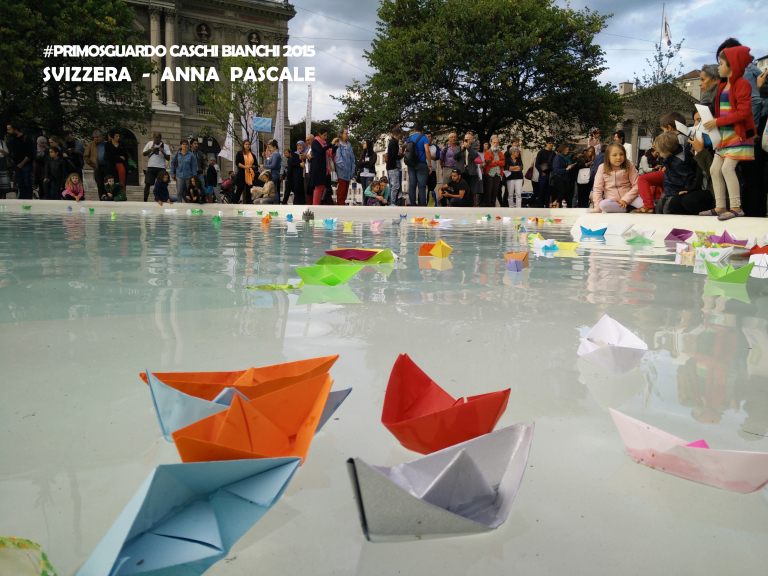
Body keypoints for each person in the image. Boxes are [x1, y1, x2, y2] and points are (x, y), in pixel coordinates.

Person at [700, 45, 757, 220]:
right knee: (714, 169)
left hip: (737, 136)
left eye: (722, 63)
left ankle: (736, 207)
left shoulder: (742, 84)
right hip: (724, 137)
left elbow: (743, 112)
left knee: (727, 168)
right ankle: (720, 206)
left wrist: (717, 121)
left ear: (733, 65)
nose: (718, 67)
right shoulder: (723, 85)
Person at [634, 112, 687, 213]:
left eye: (663, 130)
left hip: (673, 173)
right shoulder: (684, 138)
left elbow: (674, 155)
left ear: (669, 128)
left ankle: (648, 205)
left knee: (642, 179)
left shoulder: (678, 139)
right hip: (673, 173)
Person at [591, 143, 644, 213]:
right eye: (614, 155)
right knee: (603, 205)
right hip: (613, 202)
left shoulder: (629, 166)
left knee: (647, 205)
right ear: (608, 156)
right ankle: (629, 209)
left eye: (621, 154)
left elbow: (637, 185)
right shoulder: (602, 168)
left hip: (631, 199)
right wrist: (597, 209)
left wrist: (625, 199)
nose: (618, 157)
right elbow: (597, 189)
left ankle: (627, 208)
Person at [652, 131, 696, 214]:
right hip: (670, 187)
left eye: (660, 152)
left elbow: (688, 175)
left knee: (667, 211)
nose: (660, 154)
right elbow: (668, 160)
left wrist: (687, 189)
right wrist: (665, 166)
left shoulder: (677, 162)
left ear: (667, 151)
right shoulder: (675, 154)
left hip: (676, 190)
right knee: (658, 208)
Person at [404, 124, 432, 207]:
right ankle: (423, 205)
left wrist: (402, 151)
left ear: (415, 130)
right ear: (422, 130)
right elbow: (427, 150)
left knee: (412, 185)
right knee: (422, 187)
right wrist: (430, 165)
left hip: (411, 164)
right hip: (421, 163)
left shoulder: (410, 138)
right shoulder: (424, 137)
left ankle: (413, 204)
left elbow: (404, 145)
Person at [6, 123, 35, 200]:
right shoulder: (12, 139)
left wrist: (22, 163)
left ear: (15, 130)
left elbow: (30, 153)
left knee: (27, 182)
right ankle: (22, 198)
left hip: (26, 164)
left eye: (9, 129)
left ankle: (28, 198)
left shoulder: (26, 139)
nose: (8, 131)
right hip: (16, 164)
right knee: (20, 182)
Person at [310, 129, 337, 205]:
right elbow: (321, 150)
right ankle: (315, 205)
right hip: (317, 168)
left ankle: (318, 204)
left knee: (322, 186)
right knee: (318, 187)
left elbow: (329, 152)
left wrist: (336, 146)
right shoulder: (315, 142)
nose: (326, 137)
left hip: (323, 168)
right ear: (319, 134)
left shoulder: (324, 144)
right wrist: (331, 144)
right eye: (324, 135)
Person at [453, 132, 480, 207]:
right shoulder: (459, 147)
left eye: (469, 138)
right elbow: (454, 156)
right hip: (461, 172)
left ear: (472, 140)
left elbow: (475, 156)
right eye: (466, 138)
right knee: (460, 188)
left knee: (470, 190)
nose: (467, 139)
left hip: (470, 172)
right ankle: (460, 204)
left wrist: (469, 148)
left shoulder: (473, 148)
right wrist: (461, 149)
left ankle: (470, 205)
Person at [142, 132, 171, 202]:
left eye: (158, 139)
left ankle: (162, 199)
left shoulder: (165, 146)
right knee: (147, 184)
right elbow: (144, 153)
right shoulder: (149, 143)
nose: (156, 140)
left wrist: (163, 151)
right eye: (155, 139)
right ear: (153, 138)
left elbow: (168, 158)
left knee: (162, 184)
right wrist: (150, 150)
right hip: (151, 167)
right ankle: (145, 201)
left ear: (160, 138)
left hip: (161, 167)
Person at [334, 127, 356, 206]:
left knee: (346, 190)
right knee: (341, 190)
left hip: (349, 172)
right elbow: (337, 158)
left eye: (347, 133)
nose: (347, 135)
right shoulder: (338, 144)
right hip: (342, 171)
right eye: (345, 133)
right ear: (341, 134)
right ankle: (340, 205)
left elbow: (352, 158)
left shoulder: (349, 145)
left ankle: (342, 205)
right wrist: (344, 167)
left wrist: (352, 169)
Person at [171, 140, 197, 204]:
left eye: (186, 144)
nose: (184, 146)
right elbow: (173, 163)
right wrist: (172, 172)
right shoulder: (177, 154)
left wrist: (194, 176)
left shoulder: (191, 155)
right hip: (179, 175)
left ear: (188, 146)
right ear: (181, 145)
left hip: (189, 176)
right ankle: (179, 203)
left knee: (189, 191)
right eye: (183, 144)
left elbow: (194, 165)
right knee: (179, 191)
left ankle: (189, 203)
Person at [84, 131, 108, 200]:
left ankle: (108, 198)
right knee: (100, 184)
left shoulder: (106, 144)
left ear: (101, 137)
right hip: (97, 167)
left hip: (107, 167)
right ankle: (101, 198)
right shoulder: (91, 145)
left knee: (108, 183)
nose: (96, 139)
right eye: (94, 137)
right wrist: (92, 164)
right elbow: (86, 156)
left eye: (97, 137)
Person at [483, 136, 505, 208]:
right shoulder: (488, 152)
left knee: (495, 192)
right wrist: (498, 162)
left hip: (497, 174)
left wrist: (495, 161)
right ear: (491, 143)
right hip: (489, 174)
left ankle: (492, 206)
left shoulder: (500, 153)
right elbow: (489, 162)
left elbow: (503, 163)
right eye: (494, 142)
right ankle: (487, 207)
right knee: (488, 191)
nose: (495, 144)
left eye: (497, 143)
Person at [385, 126, 404, 204]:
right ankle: (392, 203)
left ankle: (390, 201)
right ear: (399, 135)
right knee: (395, 186)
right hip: (394, 166)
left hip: (390, 167)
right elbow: (394, 155)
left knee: (392, 186)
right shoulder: (395, 142)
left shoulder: (390, 142)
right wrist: (401, 155)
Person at [551, 143, 574, 207]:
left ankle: (556, 202)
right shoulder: (557, 158)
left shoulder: (567, 157)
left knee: (566, 192)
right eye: (566, 150)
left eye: (568, 150)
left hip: (565, 176)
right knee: (561, 191)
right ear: (562, 150)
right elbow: (556, 169)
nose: (567, 151)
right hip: (558, 176)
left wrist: (570, 166)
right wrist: (566, 169)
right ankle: (557, 204)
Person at [534, 137, 555, 207]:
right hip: (543, 174)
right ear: (546, 143)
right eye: (550, 143)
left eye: (552, 143)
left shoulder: (553, 153)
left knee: (548, 191)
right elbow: (537, 164)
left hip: (550, 174)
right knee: (541, 191)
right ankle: (540, 206)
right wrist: (541, 172)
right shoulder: (541, 152)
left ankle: (546, 205)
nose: (551, 145)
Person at [262, 139, 282, 205]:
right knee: (274, 189)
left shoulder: (275, 154)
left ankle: (275, 203)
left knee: (273, 189)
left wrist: (264, 166)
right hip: (274, 173)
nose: (269, 149)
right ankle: (276, 203)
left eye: (270, 147)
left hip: (274, 174)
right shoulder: (274, 154)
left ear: (274, 147)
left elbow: (273, 165)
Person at [426, 131, 440, 205]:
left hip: (433, 170)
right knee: (422, 188)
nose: (428, 138)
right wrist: (431, 156)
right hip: (423, 170)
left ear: (431, 137)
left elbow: (437, 156)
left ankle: (430, 203)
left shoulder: (435, 147)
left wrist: (427, 155)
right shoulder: (422, 146)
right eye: (426, 137)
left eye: (429, 136)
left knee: (431, 189)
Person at [302, 133, 314, 202]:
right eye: (306, 140)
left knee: (310, 190)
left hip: (311, 171)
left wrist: (306, 157)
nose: (307, 142)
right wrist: (303, 157)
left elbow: (312, 158)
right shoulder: (308, 149)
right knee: (306, 190)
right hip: (306, 171)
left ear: (312, 139)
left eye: (308, 140)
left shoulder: (314, 148)